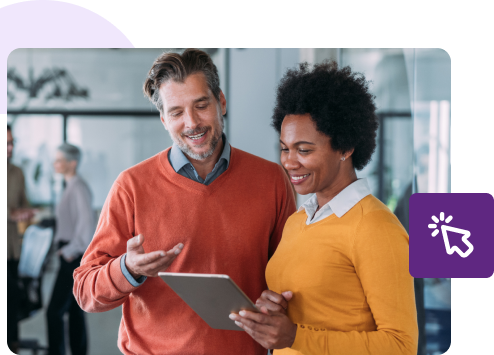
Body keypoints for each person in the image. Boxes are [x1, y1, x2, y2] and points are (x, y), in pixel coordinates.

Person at [73, 48, 296, 355]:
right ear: (164, 119)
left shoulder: (271, 180)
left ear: (222, 102)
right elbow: (86, 292)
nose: (192, 123)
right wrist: (128, 268)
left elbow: (292, 275)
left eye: (201, 105)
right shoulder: (131, 186)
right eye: (177, 112)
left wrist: (279, 299)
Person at [229, 61, 418, 355]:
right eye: (285, 148)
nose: (290, 162)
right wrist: (274, 310)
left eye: (304, 150)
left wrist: (295, 337)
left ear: (345, 147)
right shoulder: (297, 221)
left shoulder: (377, 228)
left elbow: (401, 345)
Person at [47, 143, 95, 355]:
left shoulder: (78, 187)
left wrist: (68, 251)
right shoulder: (70, 186)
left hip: (72, 257)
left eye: (59, 160)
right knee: (75, 310)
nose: (55, 163)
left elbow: (86, 227)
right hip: (69, 253)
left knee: (54, 312)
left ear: (72, 163)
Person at [7, 124, 36, 352]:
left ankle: (13, 343)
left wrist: (26, 211)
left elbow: (24, 202)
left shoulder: (17, 172)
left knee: (13, 297)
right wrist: (11, 213)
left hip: (13, 249)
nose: (10, 148)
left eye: (12, 143)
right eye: (6, 143)